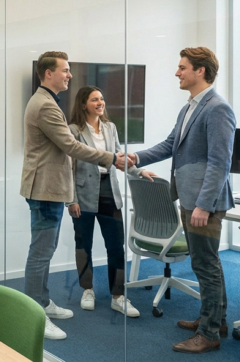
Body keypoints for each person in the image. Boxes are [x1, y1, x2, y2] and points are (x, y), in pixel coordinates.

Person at [128, 47, 235, 354]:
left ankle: (210, 333)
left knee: (206, 264)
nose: (177, 72)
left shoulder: (217, 108)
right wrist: (137, 156)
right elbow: (171, 144)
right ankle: (215, 319)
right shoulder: (189, 106)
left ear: (200, 71)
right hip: (190, 197)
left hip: (205, 202)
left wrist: (204, 204)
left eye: (182, 67)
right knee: (206, 264)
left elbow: (219, 162)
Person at [20, 51, 133, 340]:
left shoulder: (47, 102)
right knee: (41, 252)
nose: (69, 75)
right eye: (65, 70)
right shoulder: (45, 105)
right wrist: (110, 158)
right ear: (48, 73)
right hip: (46, 188)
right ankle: (34, 311)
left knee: (45, 250)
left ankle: (43, 302)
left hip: (51, 188)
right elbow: (72, 147)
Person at [67, 86, 156, 318]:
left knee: (116, 246)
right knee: (83, 245)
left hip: (109, 191)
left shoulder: (110, 127)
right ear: (83, 104)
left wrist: (139, 172)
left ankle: (118, 295)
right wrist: (71, 200)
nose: (100, 102)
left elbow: (119, 158)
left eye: (102, 98)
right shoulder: (73, 130)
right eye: (94, 99)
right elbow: (69, 168)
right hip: (83, 193)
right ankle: (87, 290)